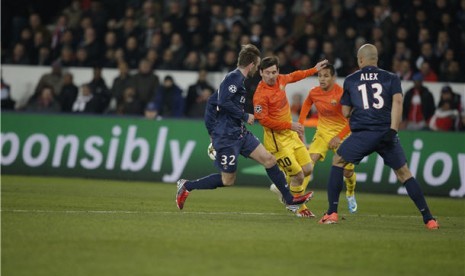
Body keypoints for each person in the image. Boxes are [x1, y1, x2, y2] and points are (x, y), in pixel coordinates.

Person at [176, 44, 313, 212]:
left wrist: (211, 129)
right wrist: (242, 117)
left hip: (240, 133)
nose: (257, 68)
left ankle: (290, 199)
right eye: (257, 64)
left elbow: (212, 101)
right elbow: (222, 102)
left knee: (269, 160)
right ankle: (187, 185)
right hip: (227, 137)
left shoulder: (237, 80)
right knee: (228, 180)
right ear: (252, 65)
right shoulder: (233, 78)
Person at [319, 44, 439, 230]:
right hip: (386, 132)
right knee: (404, 173)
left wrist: (356, 112)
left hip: (362, 133)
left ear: (360, 60)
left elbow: (345, 111)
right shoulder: (391, 78)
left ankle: (331, 213)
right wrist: (393, 129)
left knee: (338, 161)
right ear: (376, 59)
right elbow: (398, 102)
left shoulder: (351, 80)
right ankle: (429, 219)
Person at [252, 56, 328, 218]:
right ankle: (298, 208)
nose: (271, 76)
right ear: (260, 73)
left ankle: (281, 187)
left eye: (274, 72)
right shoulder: (260, 95)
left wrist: (314, 69)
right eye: (267, 73)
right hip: (278, 143)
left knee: (308, 169)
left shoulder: (281, 80)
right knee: (298, 175)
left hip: (291, 135)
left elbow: (295, 75)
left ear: (278, 71)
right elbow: (263, 121)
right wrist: (290, 125)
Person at [298, 63, 358, 214]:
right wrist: (300, 124)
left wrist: (339, 136)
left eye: (326, 76)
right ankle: (300, 203)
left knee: (347, 172)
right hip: (322, 133)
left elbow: (352, 120)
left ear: (333, 77)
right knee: (309, 163)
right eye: (319, 76)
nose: (322, 79)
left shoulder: (342, 94)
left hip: (342, 135)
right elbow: (306, 104)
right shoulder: (314, 92)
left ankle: (350, 192)